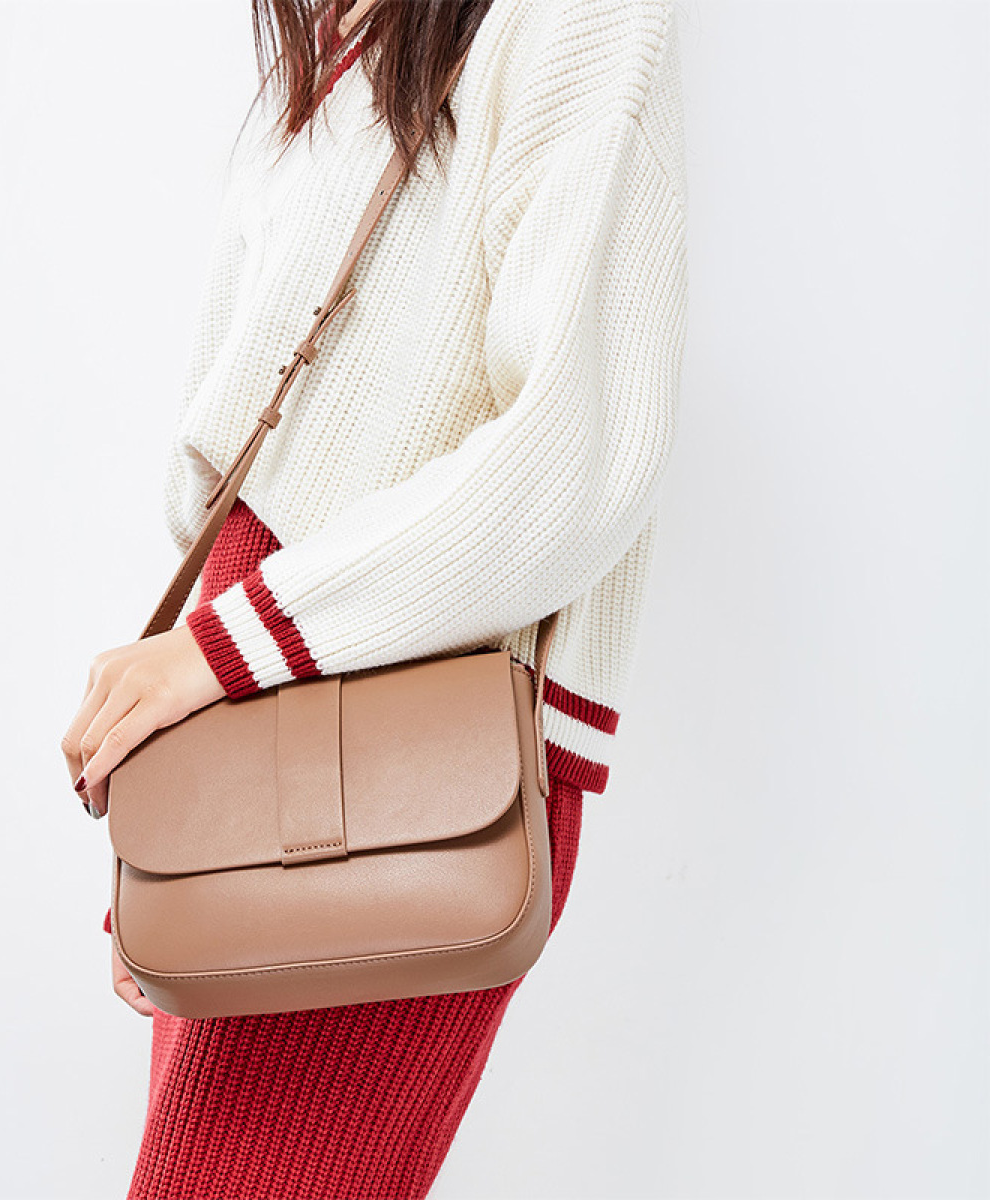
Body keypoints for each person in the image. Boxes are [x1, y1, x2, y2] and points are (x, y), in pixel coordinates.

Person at [61, 0, 687, 1194]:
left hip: (416, 737)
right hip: (255, 704)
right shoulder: (335, 33)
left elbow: (573, 451)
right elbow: (246, 454)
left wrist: (224, 657)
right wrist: (182, 790)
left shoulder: (580, 20)